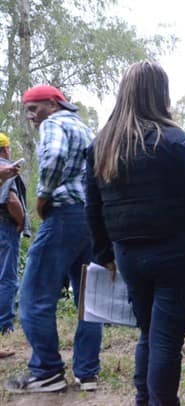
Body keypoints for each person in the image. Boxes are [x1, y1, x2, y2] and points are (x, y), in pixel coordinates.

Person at [85, 61, 185, 406]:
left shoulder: (102, 144)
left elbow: (93, 206)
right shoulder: (174, 139)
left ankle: (143, 399)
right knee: (166, 339)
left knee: (150, 332)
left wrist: (103, 254)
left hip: (128, 254)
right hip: (176, 252)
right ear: (161, 94)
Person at [4, 85, 103, 393]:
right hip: (89, 218)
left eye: (35, 108)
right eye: (28, 110)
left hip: (63, 215)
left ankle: (46, 370)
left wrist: (43, 196)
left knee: (34, 296)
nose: (31, 116)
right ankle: (87, 373)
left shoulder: (54, 123)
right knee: (89, 300)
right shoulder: (84, 128)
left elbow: (55, 156)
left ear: (54, 103)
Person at [0, 133, 29, 338]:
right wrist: (20, 221)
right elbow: (11, 200)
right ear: (6, 148)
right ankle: (4, 325)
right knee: (7, 277)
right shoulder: (6, 169)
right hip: (4, 226)